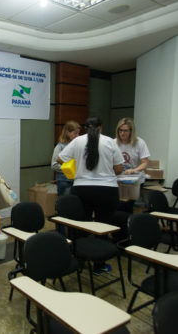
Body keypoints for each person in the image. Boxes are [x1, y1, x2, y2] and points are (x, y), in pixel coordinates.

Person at [59, 117, 123, 274]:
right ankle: (99, 265)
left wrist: (79, 170)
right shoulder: (110, 142)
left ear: (86, 128)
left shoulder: (78, 141)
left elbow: (60, 159)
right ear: (100, 127)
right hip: (107, 190)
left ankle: (79, 260)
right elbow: (119, 168)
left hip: (82, 189)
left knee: (80, 226)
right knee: (103, 226)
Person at [114, 117, 151, 213]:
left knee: (127, 204)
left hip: (135, 179)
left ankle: (126, 225)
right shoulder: (114, 142)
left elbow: (145, 162)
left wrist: (134, 170)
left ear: (131, 131)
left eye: (125, 131)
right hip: (119, 179)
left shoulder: (139, 143)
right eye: (120, 130)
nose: (122, 133)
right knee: (117, 204)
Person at [52, 121, 81, 196]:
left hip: (77, 181)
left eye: (78, 133)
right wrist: (68, 169)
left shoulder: (79, 146)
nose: (78, 136)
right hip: (64, 181)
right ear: (68, 133)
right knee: (64, 204)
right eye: (75, 133)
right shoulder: (60, 147)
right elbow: (54, 165)